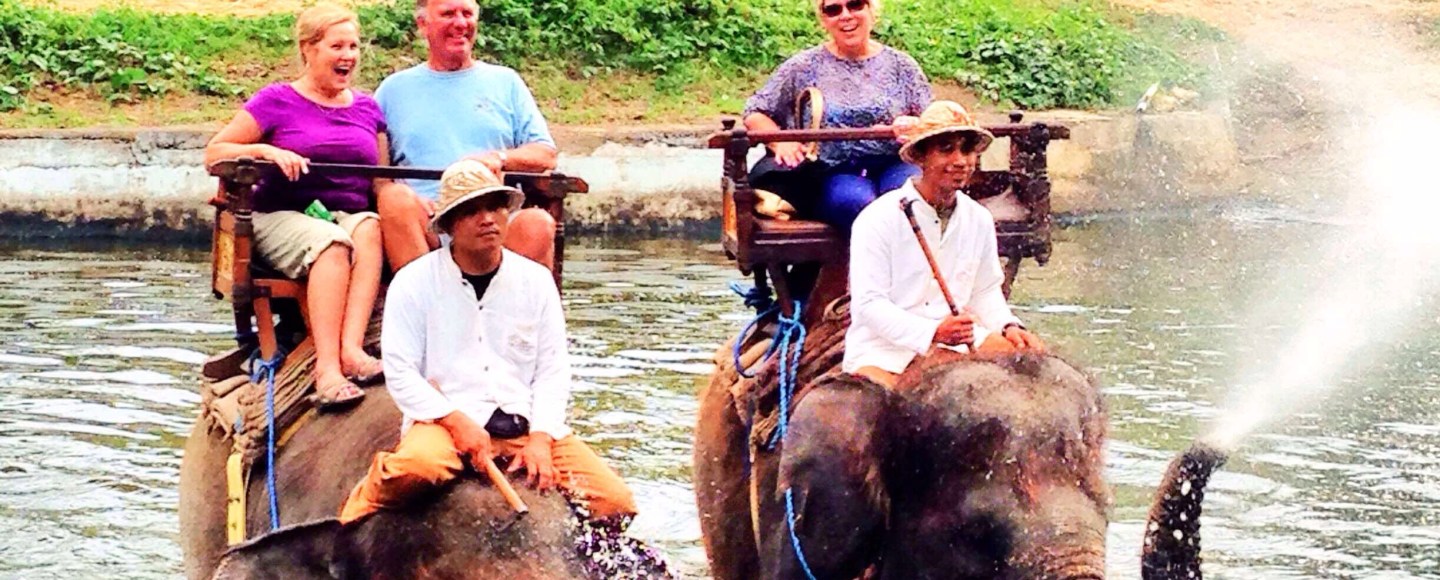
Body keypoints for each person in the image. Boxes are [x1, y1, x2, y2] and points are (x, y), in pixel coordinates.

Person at [339, 160, 637, 525]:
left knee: (615, 502)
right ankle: (352, 514)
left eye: (495, 207)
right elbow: (401, 373)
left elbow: (552, 371)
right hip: (445, 424)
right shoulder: (413, 282)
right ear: (449, 225)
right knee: (415, 469)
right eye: (471, 211)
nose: (487, 219)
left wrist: (541, 438)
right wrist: (454, 421)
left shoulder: (536, 281)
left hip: (522, 423)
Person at [204, 3, 384, 408]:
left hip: (344, 213)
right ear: (308, 49)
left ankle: (352, 349)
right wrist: (264, 151)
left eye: (353, 47)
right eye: (337, 46)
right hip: (281, 216)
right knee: (331, 243)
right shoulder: (276, 100)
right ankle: (327, 370)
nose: (348, 56)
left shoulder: (368, 108)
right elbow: (215, 152)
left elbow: (382, 176)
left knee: (369, 227)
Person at [843, 101, 1046, 387]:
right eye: (946, 149)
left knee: (1031, 368)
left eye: (967, 150)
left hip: (959, 345)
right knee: (880, 406)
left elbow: (985, 291)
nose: (960, 161)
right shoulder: (878, 218)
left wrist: (1008, 326)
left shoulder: (979, 219)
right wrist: (933, 332)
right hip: (885, 352)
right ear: (921, 157)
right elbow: (869, 305)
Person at [372, 0, 559, 272]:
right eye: (448, 14)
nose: (460, 23)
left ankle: (501, 298)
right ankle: (422, 295)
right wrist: (409, 201)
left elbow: (546, 154)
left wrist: (499, 158)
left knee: (537, 224)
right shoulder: (393, 90)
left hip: (493, 218)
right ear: (423, 24)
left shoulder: (505, 82)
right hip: (427, 222)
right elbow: (379, 175)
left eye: (467, 14)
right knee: (393, 198)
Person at [743, 0, 932, 232]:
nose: (845, 15)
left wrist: (915, 126)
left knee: (909, 197)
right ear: (824, 19)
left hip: (896, 161)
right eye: (833, 9)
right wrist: (781, 142)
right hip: (833, 170)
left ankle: (913, 256)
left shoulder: (902, 66)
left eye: (855, 5)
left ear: (872, 10)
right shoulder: (803, 66)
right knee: (856, 204)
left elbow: (934, 120)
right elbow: (755, 112)